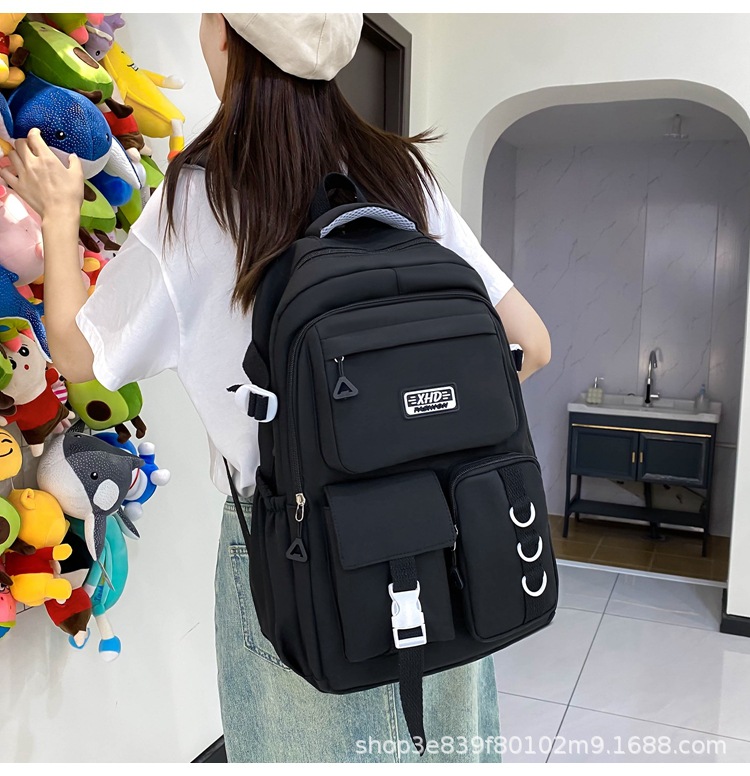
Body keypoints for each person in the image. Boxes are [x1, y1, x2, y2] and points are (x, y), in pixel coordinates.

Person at [0, 13, 551, 764]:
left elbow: (79, 358)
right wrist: (417, 420)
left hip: (292, 544)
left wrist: (63, 213)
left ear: (226, 34)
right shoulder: (403, 174)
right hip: (445, 530)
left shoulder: (203, 197)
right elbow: (532, 345)